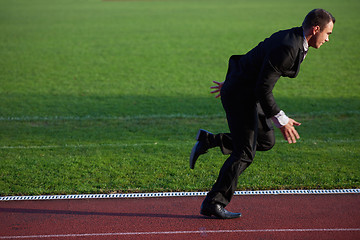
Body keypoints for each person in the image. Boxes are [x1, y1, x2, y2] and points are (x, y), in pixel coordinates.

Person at [189, 9, 335, 219]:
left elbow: (255, 58)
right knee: (245, 152)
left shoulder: (293, 38)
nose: (328, 39)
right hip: (241, 96)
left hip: (244, 91)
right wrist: (282, 120)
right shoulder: (288, 46)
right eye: (328, 33)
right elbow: (262, 89)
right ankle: (213, 202)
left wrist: (234, 80)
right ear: (316, 29)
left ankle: (210, 140)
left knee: (266, 140)